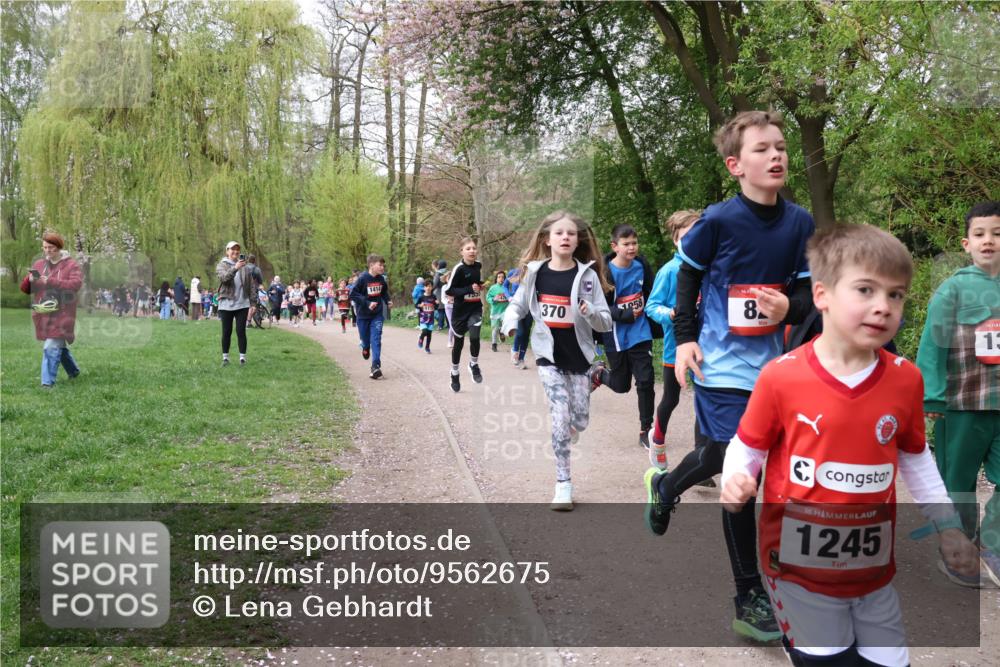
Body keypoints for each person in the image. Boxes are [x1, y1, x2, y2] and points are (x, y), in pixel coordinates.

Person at [720, 223, 980, 667]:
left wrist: (947, 525)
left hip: (871, 572)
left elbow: (915, 455)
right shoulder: (781, 376)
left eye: (895, 295)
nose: (883, 307)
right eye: (865, 290)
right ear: (821, 295)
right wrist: (736, 478)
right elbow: (747, 446)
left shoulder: (905, 378)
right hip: (797, 570)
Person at [643, 111, 815, 642]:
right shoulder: (717, 220)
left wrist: (790, 306)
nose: (777, 156)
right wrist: (688, 337)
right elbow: (689, 275)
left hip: (776, 367)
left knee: (729, 460)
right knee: (739, 472)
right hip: (718, 365)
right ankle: (749, 593)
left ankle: (666, 485)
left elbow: (810, 293)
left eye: (781, 147)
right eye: (763, 149)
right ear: (736, 165)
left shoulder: (800, 223)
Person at [501, 210, 612, 511]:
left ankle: (590, 384)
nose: (565, 237)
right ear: (547, 240)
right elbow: (517, 305)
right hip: (548, 357)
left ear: (578, 241)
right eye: (559, 233)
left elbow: (606, 323)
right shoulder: (536, 274)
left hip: (580, 358)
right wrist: (509, 323)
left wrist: (589, 312)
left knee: (579, 421)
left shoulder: (587, 276)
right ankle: (563, 484)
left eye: (571, 233)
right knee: (559, 415)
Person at [916, 200, 1000, 587]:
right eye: (980, 234)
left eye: (997, 234)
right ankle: (959, 552)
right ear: (966, 243)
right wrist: (931, 398)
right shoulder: (952, 290)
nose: (989, 241)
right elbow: (932, 346)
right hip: (962, 406)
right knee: (958, 484)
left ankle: (993, 545)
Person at [591, 224, 659, 449]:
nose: (632, 247)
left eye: (634, 243)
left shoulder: (642, 265)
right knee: (621, 386)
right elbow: (599, 308)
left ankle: (646, 430)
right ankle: (599, 374)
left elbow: (651, 294)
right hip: (616, 335)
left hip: (641, 333)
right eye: (626, 244)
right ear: (615, 246)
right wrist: (625, 314)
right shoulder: (604, 272)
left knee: (646, 380)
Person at [645, 209, 701, 469]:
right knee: (672, 398)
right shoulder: (669, 271)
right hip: (675, 348)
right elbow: (651, 307)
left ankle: (702, 460)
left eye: (697, 234)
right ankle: (657, 439)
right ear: (675, 240)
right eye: (686, 236)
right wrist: (671, 313)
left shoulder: (709, 267)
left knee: (705, 402)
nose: (692, 240)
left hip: (706, 348)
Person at [20, 232, 83, 388]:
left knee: (50, 346)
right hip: (44, 313)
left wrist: (51, 281)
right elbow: (26, 289)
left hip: (63, 313)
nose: (47, 251)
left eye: (51, 247)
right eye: (45, 247)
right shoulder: (39, 265)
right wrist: (29, 280)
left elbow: (75, 285)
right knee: (57, 345)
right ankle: (73, 371)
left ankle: (47, 384)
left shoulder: (71, 265)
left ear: (59, 247)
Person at [444, 238, 485, 392]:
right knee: (458, 345)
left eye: (474, 248)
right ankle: (454, 373)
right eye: (468, 248)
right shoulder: (458, 269)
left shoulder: (478, 266)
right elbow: (449, 290)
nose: (472, 251)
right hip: (459, 313)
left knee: (475, 337)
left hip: (475, 308)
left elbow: (475, 283)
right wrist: (469, 289)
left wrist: (479, 286)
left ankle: (473, 364)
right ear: (462, 251)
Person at [350, 254, 392, 379]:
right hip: (363, 315)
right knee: (365, 339)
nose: (382, 267)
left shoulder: (381, 279)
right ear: (371, 265)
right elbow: (353, 294)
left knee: (376, 338)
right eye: (380, 265)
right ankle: (365, 346)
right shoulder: (363, 278)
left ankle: (375, 366)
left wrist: (388, 300)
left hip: (377, 315)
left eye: (383, 265)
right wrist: (367, 303)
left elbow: (384, 292)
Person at [215, 241, 255, 366]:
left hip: (242, 303)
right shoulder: (221, 265)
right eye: (232, 249)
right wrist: (235, 268)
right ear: (227, 251)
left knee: (240, 331)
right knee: (226, 332)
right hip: (226, 303)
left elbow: (251, 286)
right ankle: (225, 358)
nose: (235, 252)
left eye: (237, 249)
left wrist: (253, 303)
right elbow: (224, 278)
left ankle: (242, 358)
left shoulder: (246, 268)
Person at [486, 270, 509, 352]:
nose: (501, 279)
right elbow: (487, 297)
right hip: (495, 311)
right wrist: (493, 299)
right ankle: (494, 344)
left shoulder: (507, 288)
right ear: (496, 279)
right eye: (499, 277)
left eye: (503, 277)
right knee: (495, 329)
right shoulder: (493, 288)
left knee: (505, 323)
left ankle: (502, 331)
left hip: (505, 311)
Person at [416, 281, 437, 354]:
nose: (428, 288)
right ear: (424, 288)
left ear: (431, 288)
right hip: (423, 317)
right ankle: (421, 339)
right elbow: (416, 305)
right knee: (424, 331)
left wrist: (437, 304)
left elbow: (436, 307)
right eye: (427, 286)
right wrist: (420, 306)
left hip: (431, 318)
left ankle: (427, 347)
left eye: (430, 286)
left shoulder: (433, 296)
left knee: (429, 334)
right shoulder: (421, 297)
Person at [432, 259, 449, 330]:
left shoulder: (438, 274)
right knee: (447, 310)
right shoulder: (448, 272)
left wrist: (431, 290)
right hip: (448, 292)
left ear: (439, 265)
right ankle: (449, 325)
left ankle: (440, 325)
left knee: (441, 310)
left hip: (439, 293)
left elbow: (435, 284)